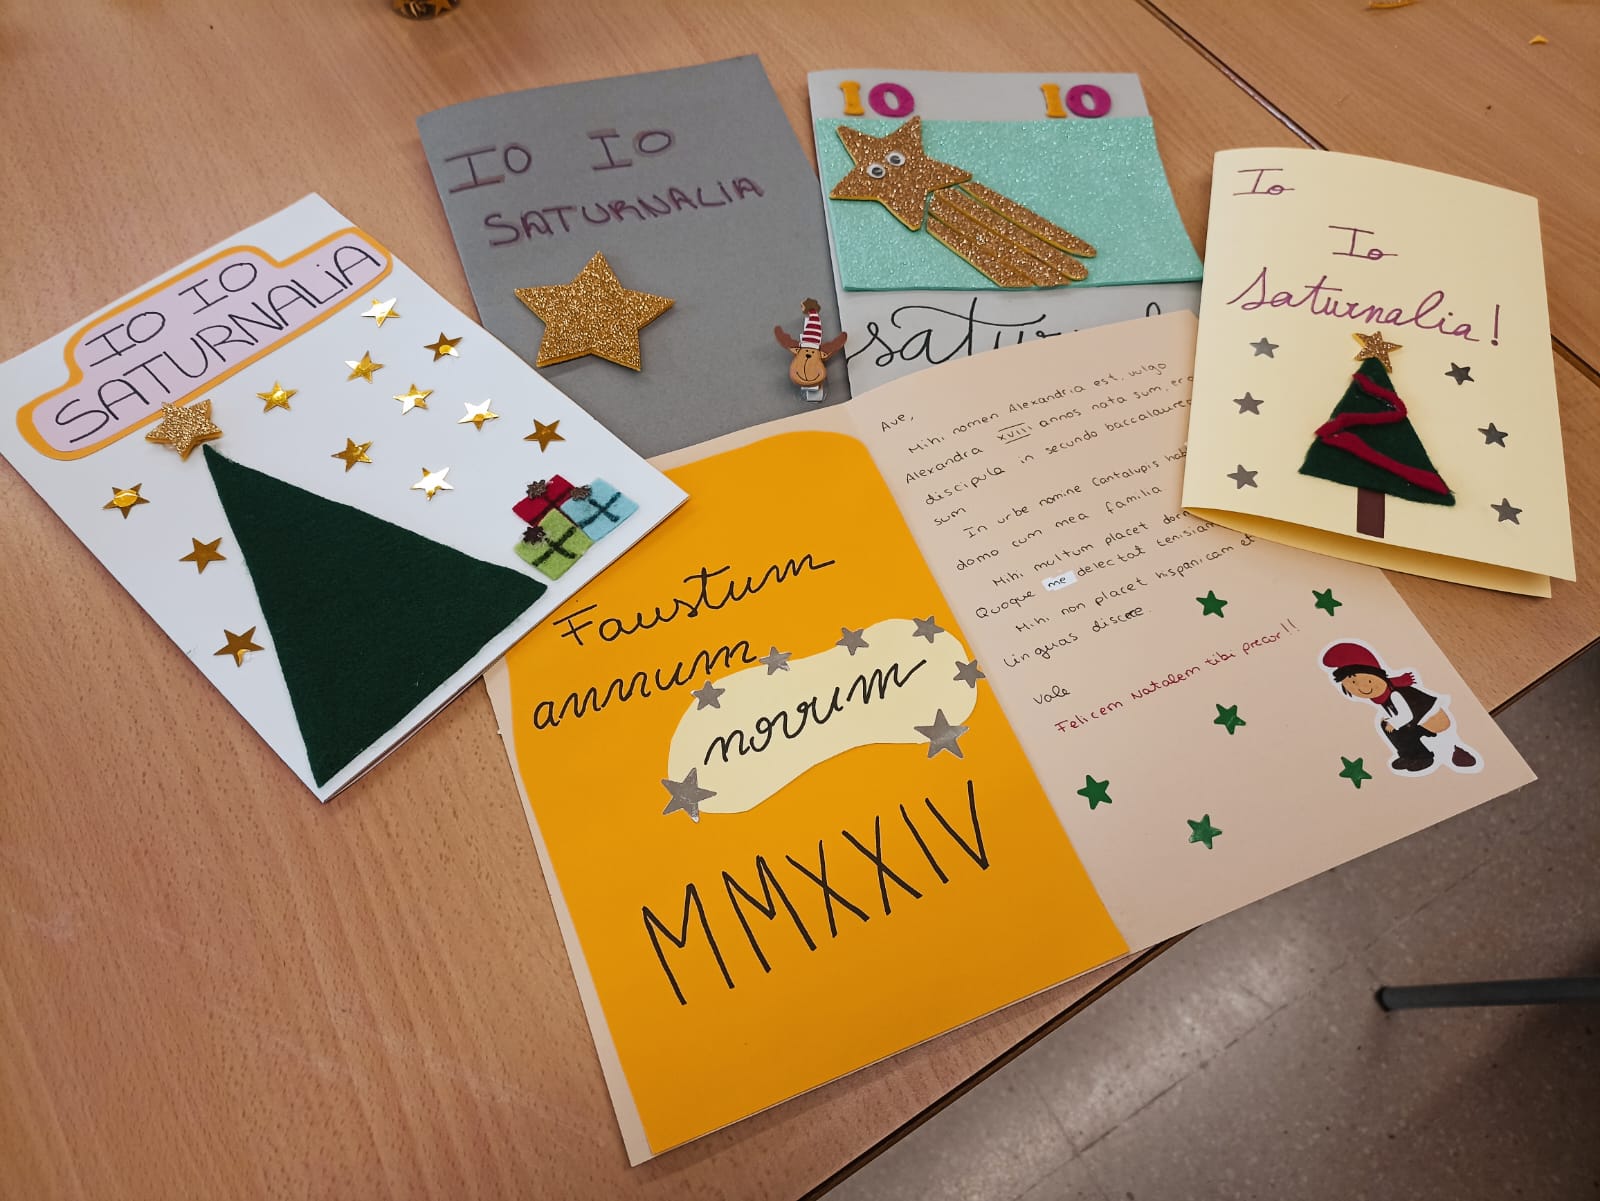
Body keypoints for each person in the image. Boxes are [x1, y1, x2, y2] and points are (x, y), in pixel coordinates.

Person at [1320, 641, 1481, 775]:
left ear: (1378, 675)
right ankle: (1408, 755)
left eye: (1368, 681)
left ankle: (1422, 757)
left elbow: (1406, 715)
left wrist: (1393, 723)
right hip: (1419, 721)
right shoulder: (1382, 695)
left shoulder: (1395, 693)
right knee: (1387, 725)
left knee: (1391, 727)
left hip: (1432, 721)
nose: (1362, 687)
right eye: (1353, 684)